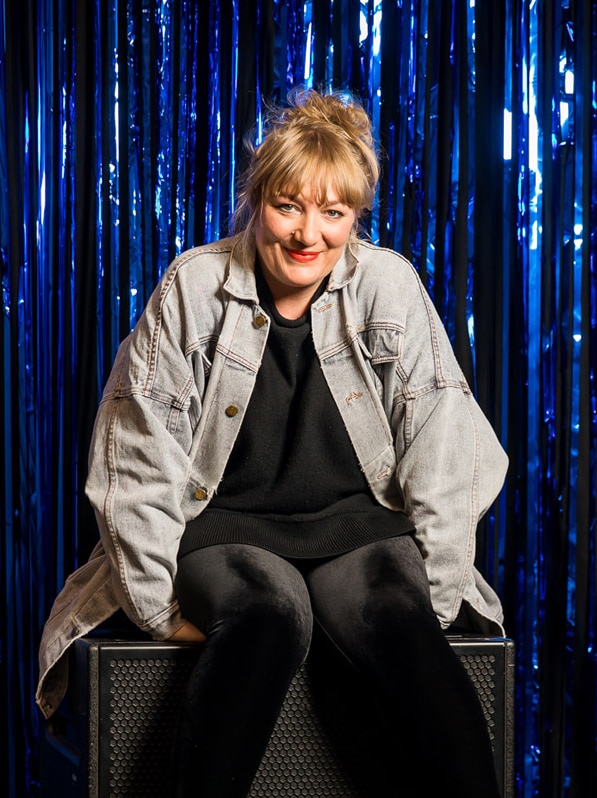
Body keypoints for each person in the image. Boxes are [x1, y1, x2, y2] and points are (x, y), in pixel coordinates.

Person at [36, 88, 509, 797]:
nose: (307, 234)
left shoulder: (389, 285)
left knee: (399, 624)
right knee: (265, 620)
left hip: (357, 527)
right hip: (224, 529)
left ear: (354, 217)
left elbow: (442, 442)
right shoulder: (195, 285)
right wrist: (158, 613)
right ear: (256, 199)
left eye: (333, 213)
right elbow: (136, 454)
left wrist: (434, 598)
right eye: (288, 205)